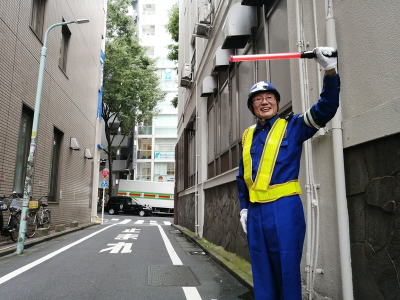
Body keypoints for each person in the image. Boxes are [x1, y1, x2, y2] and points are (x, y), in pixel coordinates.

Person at [236, 47, 339, 300]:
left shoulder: (293, 126)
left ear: (278, 103)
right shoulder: (247, 136)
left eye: (269, 97)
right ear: (252, 108)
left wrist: (330, 70)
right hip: (256, 213)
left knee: (287, 272)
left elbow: (326, 109)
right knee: (261, 274)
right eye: (258, 99)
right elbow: (243, 178)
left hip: (284, 210)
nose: (264, 102)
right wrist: (244, 208)